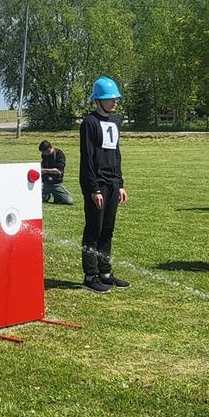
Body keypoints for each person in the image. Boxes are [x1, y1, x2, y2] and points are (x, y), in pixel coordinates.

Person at [79, 77, 130, 293]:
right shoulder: (89, 123)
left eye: (115, 98)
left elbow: (116, 155)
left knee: (108, 229)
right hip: (97, 184)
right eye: (110, 98)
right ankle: (90, 276)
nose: (114, 102)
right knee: (94, 228)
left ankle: (105, 273)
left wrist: (120, 183)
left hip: (112, 182)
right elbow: (87, 158)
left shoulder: (115, 122)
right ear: (98, 100)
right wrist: (94, 189)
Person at [39, 140, 74, 205]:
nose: (43, 154)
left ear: (48, 150)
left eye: (43, 152)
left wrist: (45, 170)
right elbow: (43, 163)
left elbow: (58, 171)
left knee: (69, 201)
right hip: (46, 183)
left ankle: (58, 195)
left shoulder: (59, 154)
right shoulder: (44, 155)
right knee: (38, 199)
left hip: (56, 184)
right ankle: (47, 196)